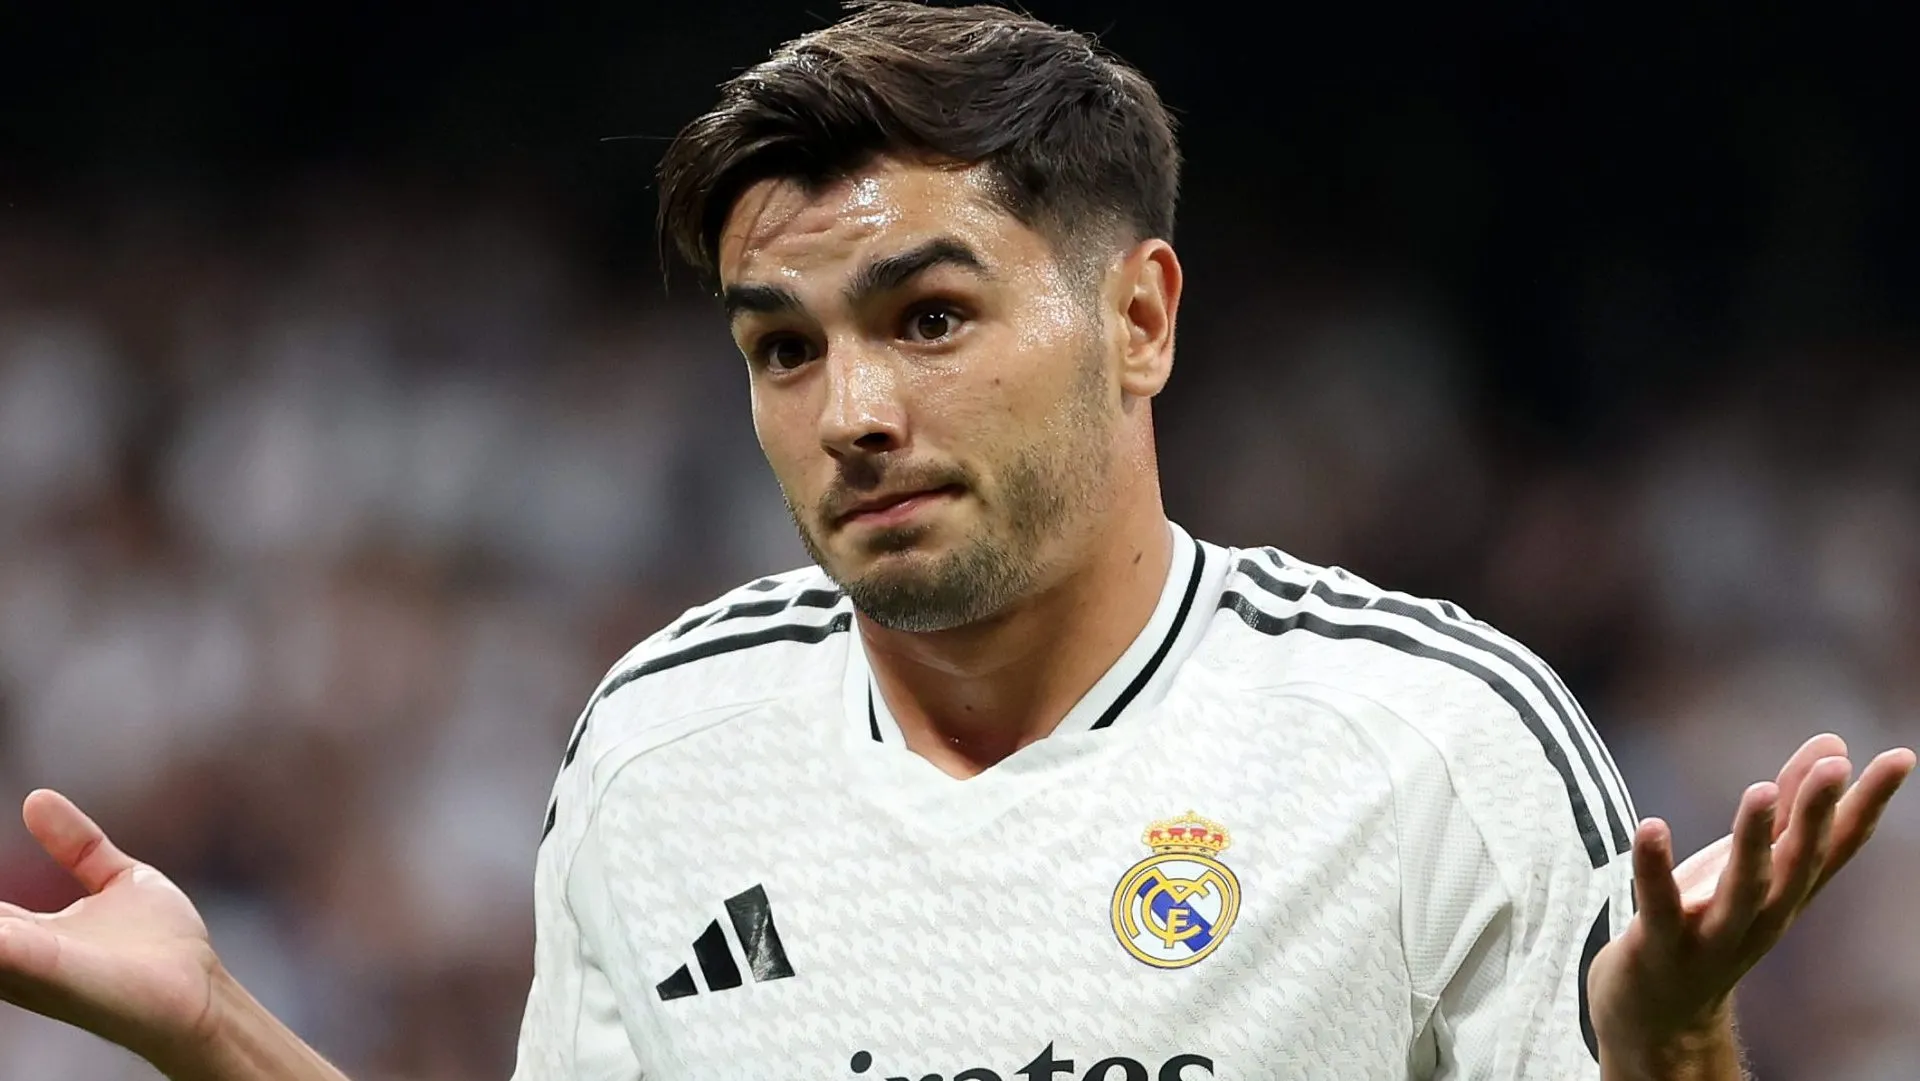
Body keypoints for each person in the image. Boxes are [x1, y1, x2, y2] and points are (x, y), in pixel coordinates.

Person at [1, 3, 1913, 1079]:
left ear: (1142, 318)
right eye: (781, 347)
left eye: (928, 320)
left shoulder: (1429, 741)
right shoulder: (664, 748)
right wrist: (223, 1037)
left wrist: (1671, 1044)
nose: (848, 413)